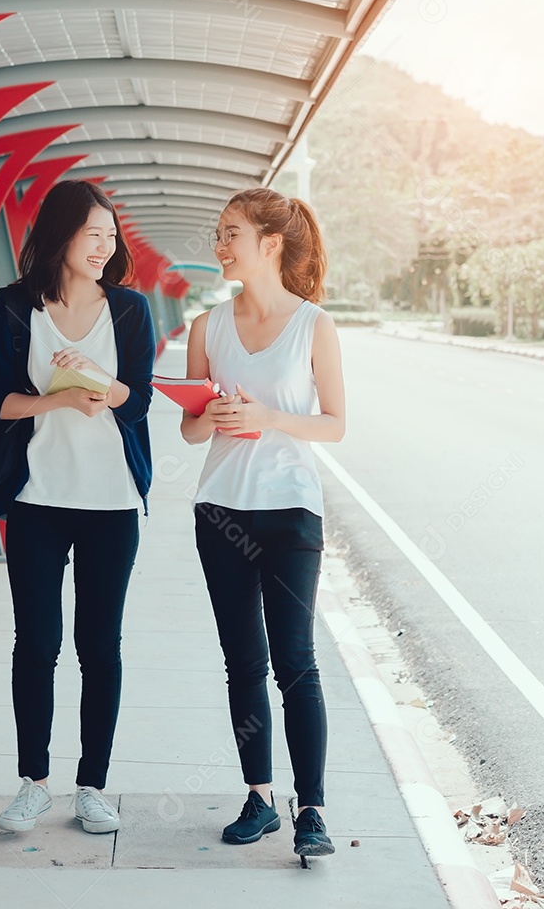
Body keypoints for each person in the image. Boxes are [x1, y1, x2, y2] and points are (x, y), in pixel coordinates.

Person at [0, 180, 154, 836]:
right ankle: (33, 783)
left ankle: (93, 787)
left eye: (111, 236)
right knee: (38, 643)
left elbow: (139, 403)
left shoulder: (131, 310)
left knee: (98, 646)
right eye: (93, 235)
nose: (105, 247)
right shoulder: (17, 306)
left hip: (110, 501)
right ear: (62, 236)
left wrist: (100, 383)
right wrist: (58, 396)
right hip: (37, 500)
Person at [180, 187, 345, 859]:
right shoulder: (207, 326)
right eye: (218, 234)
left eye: (232, 234)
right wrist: (210, 417)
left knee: (296, 665)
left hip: (291, 512)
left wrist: (271, 418)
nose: (219, 247)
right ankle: (259, 798)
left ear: (270, 244)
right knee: (242, 665)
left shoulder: (315, 325)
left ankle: (312, 810)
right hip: (220, 509)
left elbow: (335, 424)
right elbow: (190, 430)